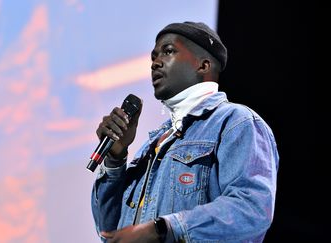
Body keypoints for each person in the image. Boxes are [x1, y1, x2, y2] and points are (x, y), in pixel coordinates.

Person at [91, 21, 279, 243]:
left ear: (204, 65)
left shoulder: (235, 122)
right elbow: (109, 230)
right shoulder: (152, 145)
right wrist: (115, 159)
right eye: (153, 57)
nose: (155, 63)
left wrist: (163, 229)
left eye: (168, 51)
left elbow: (252, 210)